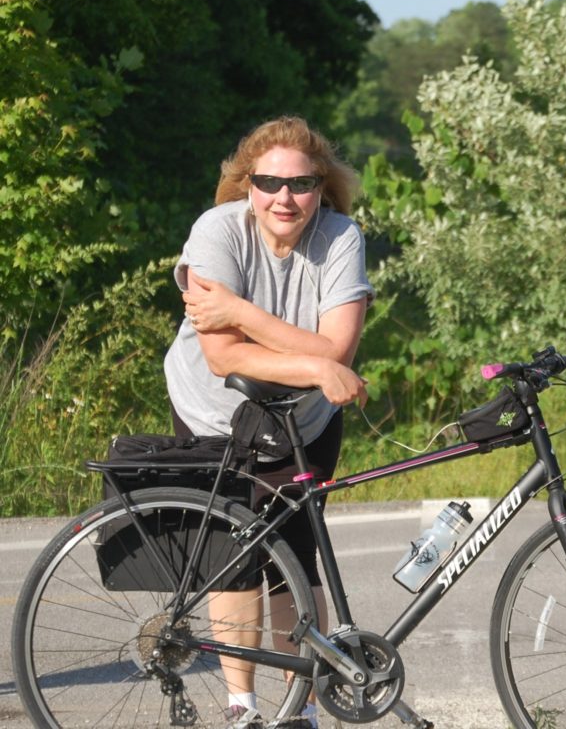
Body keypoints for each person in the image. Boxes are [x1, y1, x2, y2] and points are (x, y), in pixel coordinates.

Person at [163, 115, 373, 729]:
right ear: (247, 185)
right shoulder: (216, 232)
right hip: (214, 411)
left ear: (322, 186)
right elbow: (223, 355)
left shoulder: (341, 238)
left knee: (296, 561)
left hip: (303, 420)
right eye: (270, 183)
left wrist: (237, 310)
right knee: (231, 557)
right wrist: (313, 358)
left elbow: (338, 351)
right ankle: (243, 706)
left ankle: (299, 706)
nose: (286, 197)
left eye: (302, 184)